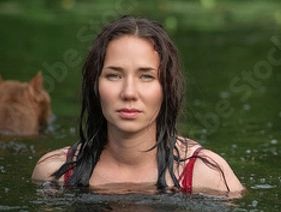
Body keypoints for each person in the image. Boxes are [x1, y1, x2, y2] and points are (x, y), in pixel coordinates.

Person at [32, 16, 244, 194]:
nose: (129, 93)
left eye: (146, 76)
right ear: (94, 86)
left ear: (166, 88)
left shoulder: (207, 176)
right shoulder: (54, 174)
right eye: (114, 75)